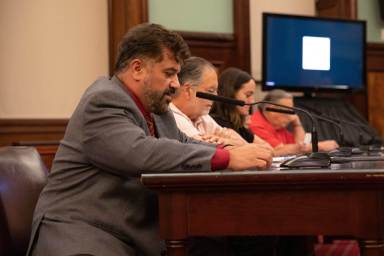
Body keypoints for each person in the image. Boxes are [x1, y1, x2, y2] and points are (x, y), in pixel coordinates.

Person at [26, 23, 273, 256]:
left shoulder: (157, 108)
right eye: (169, 73)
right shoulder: (103, 100)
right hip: (84, 235)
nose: (176, 85)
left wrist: (232, 150)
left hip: (132, 234)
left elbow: (183, 145)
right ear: (137, 69)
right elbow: (140, 152)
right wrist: (226, 157)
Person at [170, 57, 251, 146]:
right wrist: (227, 141)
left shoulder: (202, 117)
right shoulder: (172, 118)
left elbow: (244, 145)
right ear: (188, 90)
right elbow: (207, 151)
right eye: (210, 91)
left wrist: (227, 141)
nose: (215, 96)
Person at [249, 89, 339, 156]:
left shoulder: (279, 127)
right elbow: (278, 150)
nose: (291, 116)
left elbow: (300, 145)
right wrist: (320, 146)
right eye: (287, 111)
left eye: (292, 111)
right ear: (271, 108)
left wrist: (297, 124)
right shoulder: (255, 124)